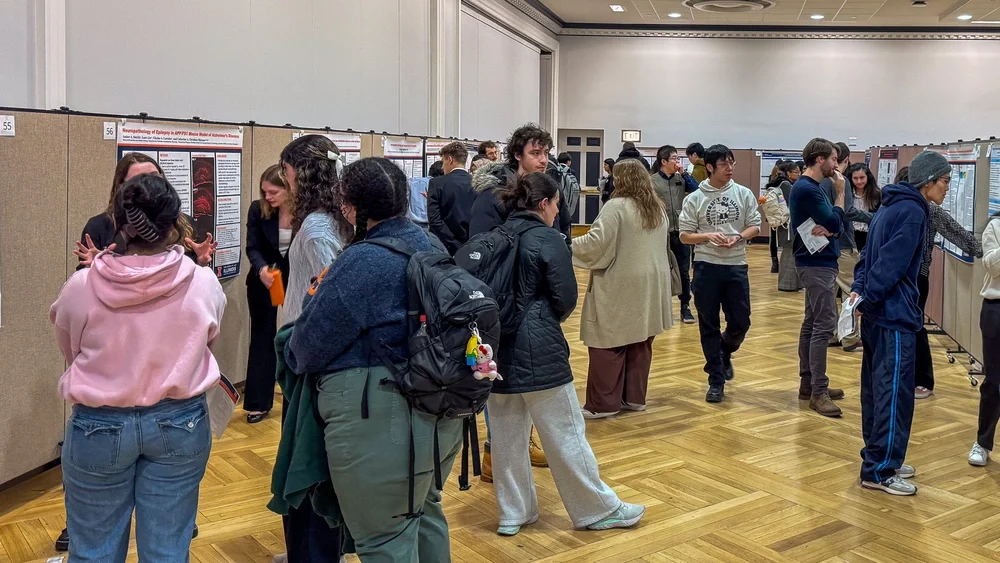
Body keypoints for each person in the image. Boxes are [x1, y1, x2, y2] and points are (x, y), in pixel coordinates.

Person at [286, 157, 462, 561]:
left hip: (383, 421)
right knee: (422, 514)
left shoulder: (360, 261)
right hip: (442, 410)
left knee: (384, 539)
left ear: (350, 207)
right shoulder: (431, 246)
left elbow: (306, 347)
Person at [51, 173, 226, 562]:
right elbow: (206, 342)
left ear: (118, 221)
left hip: (98, 425)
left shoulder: (81, 286)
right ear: (175, 223)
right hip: (181, 424)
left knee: (93, 551)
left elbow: (70, 349)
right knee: (167, 550)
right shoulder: (203, 283)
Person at [487, 171, 646, 536]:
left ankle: (513, 513)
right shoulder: (548, 239)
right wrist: (544, 319)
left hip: (493, 350)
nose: (559, 211)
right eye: (557, 203)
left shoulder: (494, 236)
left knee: (506, 438)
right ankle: (597, 509)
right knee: (566, 433)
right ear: (543, 204)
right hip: (540, 347)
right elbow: (565, 298)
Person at [851, 150, 950, 496]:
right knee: (894, 395)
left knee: (876, 392)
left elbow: (866, 258)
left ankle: (878, 455)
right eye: (944, 180)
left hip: (878, 315)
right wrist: (869, 297)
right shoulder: (912, 211)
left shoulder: (890, 205)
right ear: (928, 181)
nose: (947, 187)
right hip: (893, 317)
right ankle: (880, 470)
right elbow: (889, 266)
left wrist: (860, 293)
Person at [275, 134, 353, 563]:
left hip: (309, 359)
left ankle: (313, 553)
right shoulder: (331, 221)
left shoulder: (318, 229)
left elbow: (333, 298)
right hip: (309, 355)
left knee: (304, 463)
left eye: (286, 173)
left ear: (302, 175)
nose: (284, 182)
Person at [574, 159, 673, 418]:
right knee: (640, 339)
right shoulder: (656, 207)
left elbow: (597, 245)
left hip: (622, 281)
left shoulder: (616, 206)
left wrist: (565, 245)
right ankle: (634, 398)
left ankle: (603, 405)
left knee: (608, 341)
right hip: (652, 282)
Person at [678, 144, 761, 403]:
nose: (729, 168)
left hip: (736, 265)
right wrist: (707, 236)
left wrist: (739, 237)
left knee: (741, 322)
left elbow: (755, 226)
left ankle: (725, 349)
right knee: (709, 324)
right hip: (706, 266)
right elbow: (684, 236)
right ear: (710, 167)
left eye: (731, 163)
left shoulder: (743, 193)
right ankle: (715, 380)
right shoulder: (695, 198)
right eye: (724, 164)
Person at [74, 152, 216, 269]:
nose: (149, 185)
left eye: (154, 176)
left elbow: (190, 273)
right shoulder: (99, 226)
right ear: (122, 186)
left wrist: (201, 262)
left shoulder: (184, 222)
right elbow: (84, 281)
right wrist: (95, 267)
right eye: (138, 179)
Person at [789, 138, 848, 417]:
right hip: (816, 264)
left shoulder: (811, 187)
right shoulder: (808, 189)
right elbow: (835, 220)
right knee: (824, 324)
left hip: (818, 262)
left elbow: (835, 226)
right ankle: (818, 392)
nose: (836, 165)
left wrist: (833, 227)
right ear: (820, 159)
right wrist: (840, 194)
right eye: (834, 159)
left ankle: (809, 384)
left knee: (813, 322)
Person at [469, 123, 571, 247]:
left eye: (546, 153)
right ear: (518, 155)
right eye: (535, 153)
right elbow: (481, 245)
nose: (544, 160)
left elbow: (564, 228)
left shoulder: (552, 190)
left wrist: (563, 251)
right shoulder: (494, 194)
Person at [244, 165, 292, 424]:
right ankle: (258, 402)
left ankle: (292, 392)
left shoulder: (305, 213)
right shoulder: (257, 209)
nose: (268, 197)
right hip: (265, 279)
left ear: (289, 189)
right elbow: (252, 247)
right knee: (263, 336)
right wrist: (261, 268)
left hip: (295, 277)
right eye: (265, 192)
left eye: (274, 192)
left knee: (294, 333)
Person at [820, 143, 869, 352]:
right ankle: (849, 337)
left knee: (831, 292)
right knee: (852, 291)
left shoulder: (821, 180)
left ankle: (832, 334)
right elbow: (847, 211)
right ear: (846, 160)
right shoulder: (841, 180)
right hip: (844, 244)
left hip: (825, 245)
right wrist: (873, 217)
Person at [649, 144, 699, 323]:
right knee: (660, 271)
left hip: (681, 233)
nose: (678, 161)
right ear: (663, 162)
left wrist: (685, 174)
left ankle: (685, 306)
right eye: (674, 158)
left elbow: (697, 190)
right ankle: (659, 307)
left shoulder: (681, 178)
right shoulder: (652, 181)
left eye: (678, 158)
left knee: (684, 271)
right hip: (660, 233)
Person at [969, 211, 1000, 466]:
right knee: (994, 380)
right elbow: (991, 265)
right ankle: (983, 442)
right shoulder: (995, 227)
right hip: (996, 309)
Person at [427, 141, 476, 255]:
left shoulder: (436, 183)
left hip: (444, 246)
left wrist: (454, 243)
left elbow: (434, 221)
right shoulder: (478, 183)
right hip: (472, 245)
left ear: (450, 159)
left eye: (443, 162)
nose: (442, 167)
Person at [766, 160, 803, 291]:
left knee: (791, 253)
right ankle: (787, 284)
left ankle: (794, 284)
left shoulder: (780, 183)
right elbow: (793, 204)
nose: (799, 174)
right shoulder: (786, 185)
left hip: (785, 224)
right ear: (788, 173)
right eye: (796, 172)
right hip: (788, 225)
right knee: (789, 254)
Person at [846, 163, 881, 253]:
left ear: (867, 177)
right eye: (855, 178)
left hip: (869, 235)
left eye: (862, 177)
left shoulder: (877, 195)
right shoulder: (847, 194)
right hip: (851, 235)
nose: (859, 181)